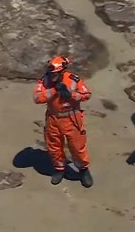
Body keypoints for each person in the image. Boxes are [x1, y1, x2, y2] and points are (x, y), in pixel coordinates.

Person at [33, 56, 93, 188]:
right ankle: (59, 169)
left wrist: (71, 95)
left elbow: (87, 94)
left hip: (72, 118)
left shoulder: (73, 79)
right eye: (51, 73)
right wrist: (54, 90)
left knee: (77, 147)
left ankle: (83, 170)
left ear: (62, 71)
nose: (53, 76)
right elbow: (37, 98)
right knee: (54, 147)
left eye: (55, 74)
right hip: (53, 118)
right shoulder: (44, 81)